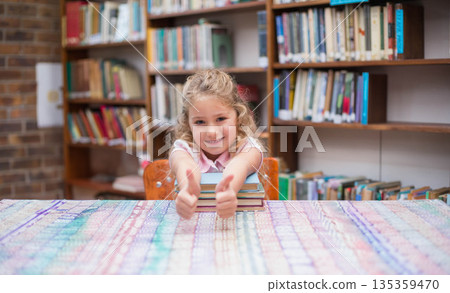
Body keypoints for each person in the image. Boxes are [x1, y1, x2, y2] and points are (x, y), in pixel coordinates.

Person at [169, 69, 264, 220]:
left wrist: (229, 190)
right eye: (200, 122)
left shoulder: (248, 148)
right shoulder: (184, 149)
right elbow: (184, 165)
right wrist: (187, 189)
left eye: (220, 119)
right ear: (188, 124)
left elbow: (239, 165)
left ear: (238, 117)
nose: (212, 132)